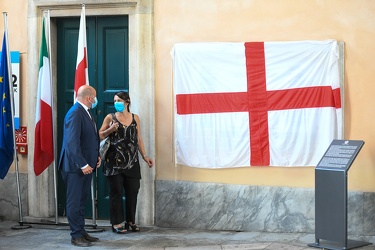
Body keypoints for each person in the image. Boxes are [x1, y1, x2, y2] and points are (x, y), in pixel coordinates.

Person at [99, 90, 153, 234]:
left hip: (132, 161)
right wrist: (110, 129)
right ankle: (117, 223)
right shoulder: (110, 117)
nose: (116, 103)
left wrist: (145, 156)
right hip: (114, 162)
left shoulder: (135, 118)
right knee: (116, 192)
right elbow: (99, 135)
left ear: (127, 102)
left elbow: (139, 138)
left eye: (119, 101)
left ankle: (130, 221)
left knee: (133, 191)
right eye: (115, 101)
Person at [58, 85, 102, 247]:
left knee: (81, 200)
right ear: (89, 98)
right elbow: (72, 144)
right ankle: (76, 235)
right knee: (74, 202)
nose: (96, 100)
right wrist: (83, 164)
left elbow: (89, 139)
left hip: (86, 165)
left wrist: (96, 156)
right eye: (95, 97)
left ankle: (81, 231)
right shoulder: (75, 113)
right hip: (75, 167)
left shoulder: (87, 112)